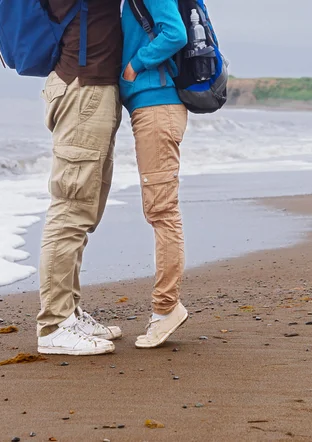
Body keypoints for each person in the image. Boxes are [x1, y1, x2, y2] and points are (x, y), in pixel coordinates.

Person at [36, 0, 124, 356]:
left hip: (89, 86)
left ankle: (68, 313)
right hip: (82, 87)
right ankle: (53, 326)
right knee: (71, 208)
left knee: (83, 209)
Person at [120, 0, 190, 348]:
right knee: (159, 210)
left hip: (157, 105)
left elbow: (174, 33)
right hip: (150, 106)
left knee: (162, 211)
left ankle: (166, 309)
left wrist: (136, 64)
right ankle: (166, 307)